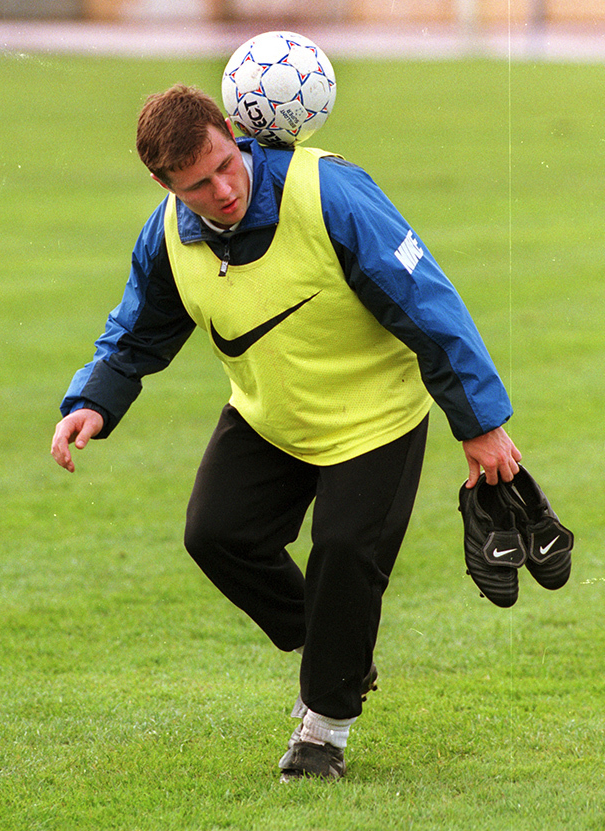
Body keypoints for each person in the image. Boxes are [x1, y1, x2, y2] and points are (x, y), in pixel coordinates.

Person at [51, 84, 521, 781]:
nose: (220, 190)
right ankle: (336, 643)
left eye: (222, 166)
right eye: (196, 184)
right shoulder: (166, 234)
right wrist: (94, 398)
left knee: (341, 551)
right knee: (216, 534)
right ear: (162, 182)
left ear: (230, 133)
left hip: (374, 419)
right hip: (269, 416)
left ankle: (322, 733)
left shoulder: (327, 192)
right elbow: (137, 326)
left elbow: (426, 301)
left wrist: (480, 422)